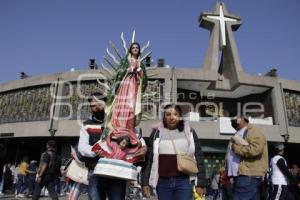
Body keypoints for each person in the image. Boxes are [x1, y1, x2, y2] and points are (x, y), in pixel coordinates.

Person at [141, 104, 206, 200]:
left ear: (180, 117)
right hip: (162, 182)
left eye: (175, 114)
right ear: (164, 117)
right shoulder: (156, 133)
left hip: (184, 181)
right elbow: (149, 160)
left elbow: (199, 157)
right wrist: (145, 182)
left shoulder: (189, 132)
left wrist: (201, 183)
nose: (172, 118)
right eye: (168, 114)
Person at [104, 42, 148, 157]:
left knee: (130, 107)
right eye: (133, 47)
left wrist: (139, 72)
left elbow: (144, 80)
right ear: (130, 49)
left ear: (139, 50)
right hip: (124, 84)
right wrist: (128, 69)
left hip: (133, 87)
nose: (135, 49)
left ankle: (128, 128)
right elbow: (119, 72)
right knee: (121, 105)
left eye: (137, 47)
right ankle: (118, 126)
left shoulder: (140, 63)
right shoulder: (125, 60)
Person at [230, 117, 268, 200]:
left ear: (242, 119)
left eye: (234, 119)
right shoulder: (240, 132)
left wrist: (236, 148)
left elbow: (256, 149)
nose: (231, 121)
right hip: (241, 176)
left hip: (248, 176)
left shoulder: (253, 131)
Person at [78, 92, 107, 200]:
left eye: (98, 104)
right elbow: (82, 147)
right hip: (95, 169)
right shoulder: (86, 124)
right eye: (92, 106)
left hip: (114, 170)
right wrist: (95, 151)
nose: (95, 108)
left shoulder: (114, 121)